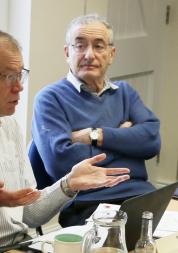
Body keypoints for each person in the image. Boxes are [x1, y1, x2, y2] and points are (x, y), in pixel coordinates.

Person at [0, 30, 130, 248]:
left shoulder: (10, 126)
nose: (19, 86)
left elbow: (30, 214)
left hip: (21, 244)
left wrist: (68, 184)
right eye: (8, 76)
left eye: (20, 74)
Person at [31, 13, 161, 227]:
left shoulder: (125, 93)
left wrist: (96, 135)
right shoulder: (50, 98)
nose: (89, 55)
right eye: (80, 46)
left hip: (142, 196)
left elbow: (152, 142)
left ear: (111, 54)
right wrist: (127, 141)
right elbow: (60, 163)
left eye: (99, 46)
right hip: (89, 204)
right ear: (67, 52)